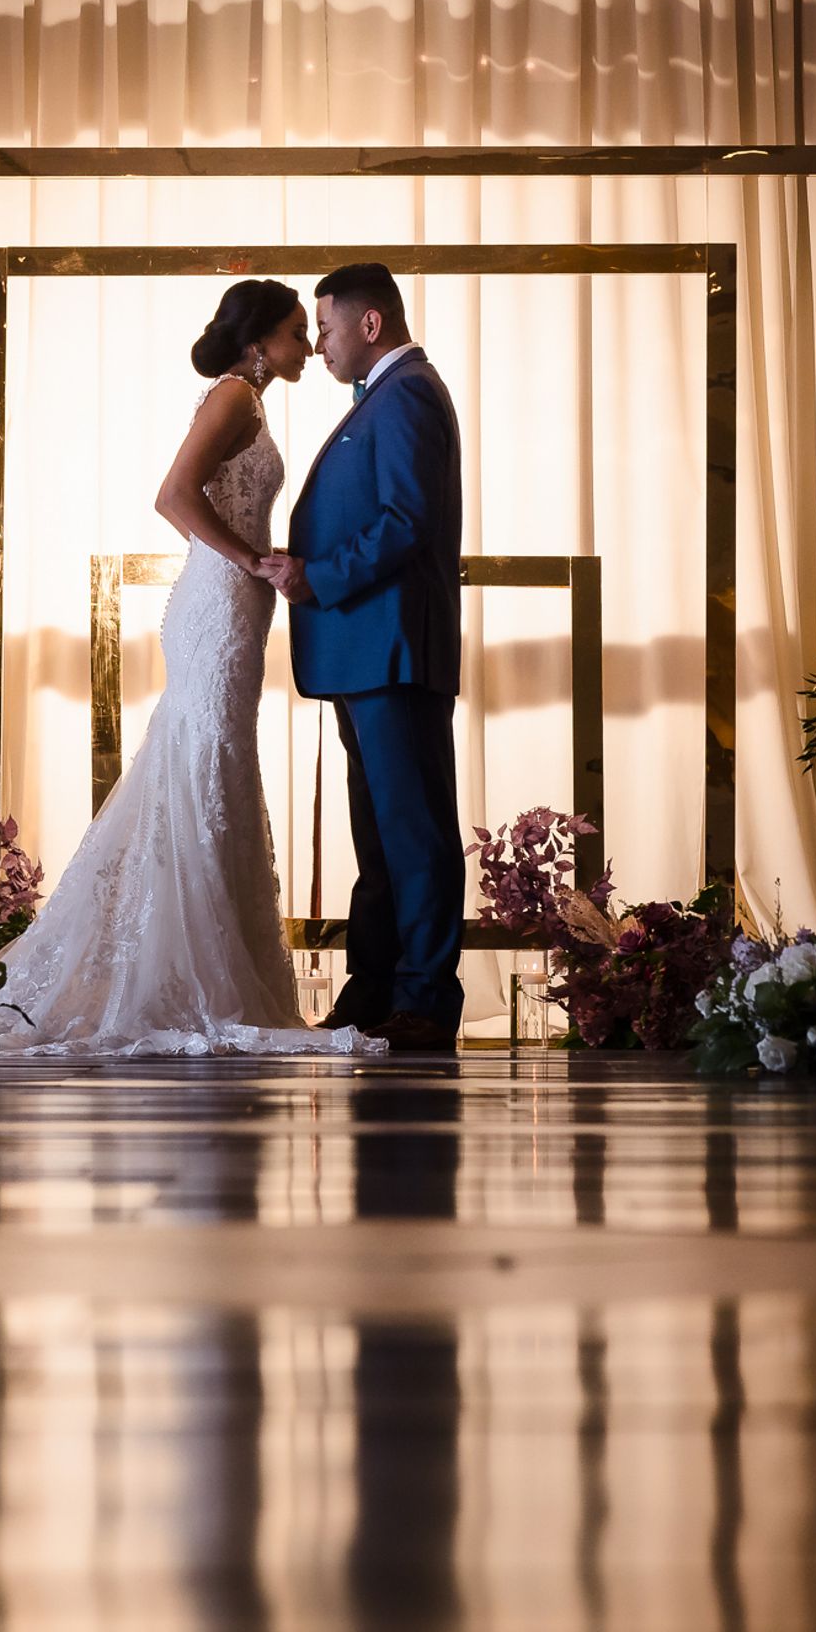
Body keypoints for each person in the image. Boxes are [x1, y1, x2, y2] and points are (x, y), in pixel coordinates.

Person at [0, 278, 385, 1058]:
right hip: (218, 605)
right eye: (296, 331)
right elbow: (172, 495)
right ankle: (183, 972)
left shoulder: (248, 398)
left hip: (233, 606)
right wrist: (248, 559)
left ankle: (203, 953)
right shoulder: (235, 396)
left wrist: (252, 569)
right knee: (205, 759)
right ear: (258, 339)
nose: (308, 344)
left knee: (214, 764)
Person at [258, 262, 467, 1053]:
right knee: (379, 838)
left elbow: (405, 521)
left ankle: (423, 998)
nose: (320, 342)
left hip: (393, 652)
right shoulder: (384, 397)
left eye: (327, 326)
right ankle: (376, 987)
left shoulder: (407, 391)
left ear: (369, 323)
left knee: (412, 833)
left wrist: (318, 574)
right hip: (366, 654)